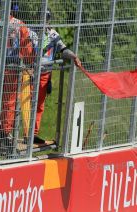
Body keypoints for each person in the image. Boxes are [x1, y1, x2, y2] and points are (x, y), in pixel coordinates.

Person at [0, 1, 34, 147]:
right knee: (9, 102)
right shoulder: (19, 24)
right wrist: (29, 62)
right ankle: (5, 134)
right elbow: (27, 48)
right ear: (12, 9)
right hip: (12, 69)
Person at [32, 9, 81, 144]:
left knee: (39, 104)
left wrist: (74, 56)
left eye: (46, 18)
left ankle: (32, 134)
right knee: (22, 104)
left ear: (49, 19)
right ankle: (11, 133)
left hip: (45, 74)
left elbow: (63, 50)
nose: (43, 20)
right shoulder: (30, 32)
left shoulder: (53, 34)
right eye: (41, 17)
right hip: (28, 73)